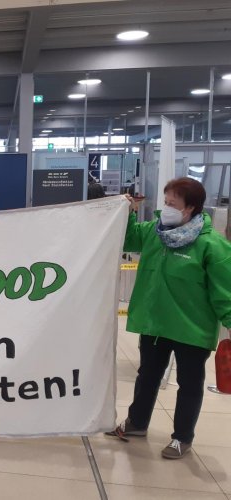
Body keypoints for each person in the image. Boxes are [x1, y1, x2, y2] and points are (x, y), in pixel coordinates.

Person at [107, 178, 231, 459]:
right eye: (166, 202)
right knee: (147, 376)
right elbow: (127, 239)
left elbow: (225, 291)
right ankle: (137, 423)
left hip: (191, 328)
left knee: (189, 384)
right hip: (154, 323)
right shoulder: (154, 232)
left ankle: (182, 437)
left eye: (172, 203)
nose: (167, 208)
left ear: (190, 208)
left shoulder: (211, 245)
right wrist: (128, 214)